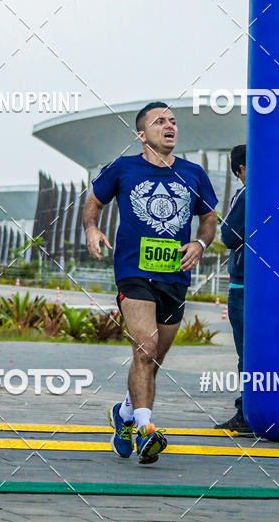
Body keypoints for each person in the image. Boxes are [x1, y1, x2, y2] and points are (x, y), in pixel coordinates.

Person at [83, 102, 217, 465]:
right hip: (133, 271)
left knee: (153, 359)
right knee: (144, 347)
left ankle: (124, 414)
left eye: (173, 121)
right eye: (160, 122)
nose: (169, 126)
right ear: (142, 135)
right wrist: (91, 228)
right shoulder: (123, 168)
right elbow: (93, 201)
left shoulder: (193, 173)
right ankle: (146, 429)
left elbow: (209, 217)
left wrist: (200, 243)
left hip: (175, 277)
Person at [214, 144, 253, 433]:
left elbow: (229, 235)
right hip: (269, 284)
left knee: (246, 351)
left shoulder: (245, 192)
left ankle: (246, 412)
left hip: (242, 284)